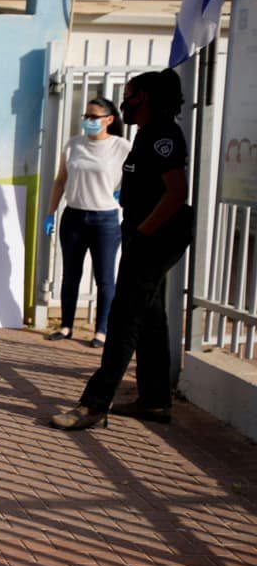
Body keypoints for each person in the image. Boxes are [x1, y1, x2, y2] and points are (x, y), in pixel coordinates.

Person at [51, 69, 194, 430]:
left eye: (129, 95)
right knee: (150, 317)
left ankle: (94, 404)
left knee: (124, 319)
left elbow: (177, 192)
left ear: (144, 98)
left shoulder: (163, 134)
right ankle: (155, 400)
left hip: (154, 237)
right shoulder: (147, 134)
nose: (125, 102)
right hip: (146, 233)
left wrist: (143, 234)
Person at [44, 98, 130, 348]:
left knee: (104, 278)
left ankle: (101, 330)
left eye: (94, 117)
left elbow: (138, 175)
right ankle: (66, 325)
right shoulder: (74, 144)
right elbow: (61, 180)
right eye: (86, 116)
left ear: (109, 119)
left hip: (105, 219)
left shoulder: (121, 146)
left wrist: (122, 192)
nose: (88, 121)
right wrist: (50, 213)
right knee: (70, 275)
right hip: (74, 217)